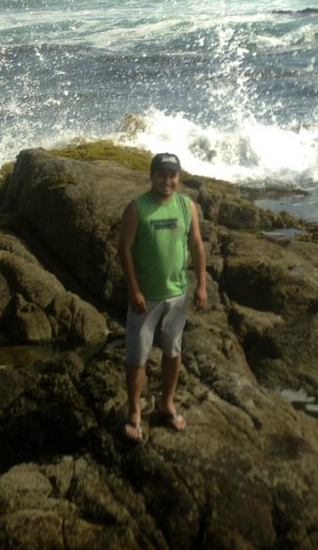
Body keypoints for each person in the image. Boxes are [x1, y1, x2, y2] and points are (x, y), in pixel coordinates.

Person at [118, 152, 207, 442]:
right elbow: (125, 250)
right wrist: (134, 290)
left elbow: (196, 245)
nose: (167, 181)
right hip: (145, 298)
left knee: (173, 351)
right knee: (137, 356)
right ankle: (134, 411)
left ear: (178, 178)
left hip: (177, 296)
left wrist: (201, 285)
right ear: (152, 176)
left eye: (172, 176)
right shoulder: (137, 208)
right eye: (162, 175)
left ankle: (166, 403)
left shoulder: (186, 206)